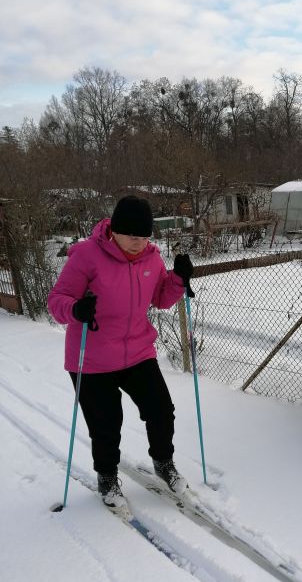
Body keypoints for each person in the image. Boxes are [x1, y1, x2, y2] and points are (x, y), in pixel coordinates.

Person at [48, 195, 194, 510]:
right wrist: (75, 308)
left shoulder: (151, 259)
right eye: (131, 236)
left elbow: (161, 298)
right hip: (93, 359)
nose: (138, 243)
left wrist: (178, 280)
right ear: (114, 229)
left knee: (160, 409)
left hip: (137, 351)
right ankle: (107, 477)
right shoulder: (87, 255)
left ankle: (163, 463)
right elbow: (56, 300)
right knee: (105, 423)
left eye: (144, 237)